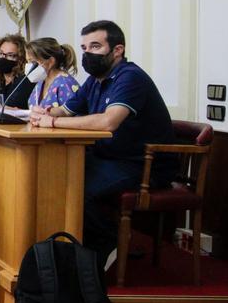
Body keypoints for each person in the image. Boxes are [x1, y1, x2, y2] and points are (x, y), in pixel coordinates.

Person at [30, 20, 176, 267]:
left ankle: (108, 243)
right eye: (84, 48)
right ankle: (65, 250)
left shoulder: (131, 77)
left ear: (117, 50)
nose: (88, 54)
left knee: (75, 187)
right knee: (53, 175)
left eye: (95, 47)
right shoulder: (95, 79)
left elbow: (109, 122)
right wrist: (43, 112)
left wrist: (51, 124)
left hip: (141, 164)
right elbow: (65, 110)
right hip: (108, 157)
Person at [25, 37, 81, 110]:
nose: (28, 65)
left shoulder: (65, 83)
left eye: (33, 62)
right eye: (27, 61)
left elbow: (75, 116)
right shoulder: (41, 81)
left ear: (51, 61)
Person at [0, 34, 33, 109]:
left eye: (10, 55)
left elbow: (11, 105)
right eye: (0, 53)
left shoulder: (24, 80)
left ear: (21, 58)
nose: (3, 58)